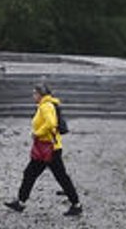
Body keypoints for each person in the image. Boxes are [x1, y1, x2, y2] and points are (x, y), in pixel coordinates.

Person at [5, 84, 81, 216]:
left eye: (34, 93)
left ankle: (76, 205)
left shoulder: (46, 106)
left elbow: (51, 124)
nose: (33, 96)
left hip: (49, 148)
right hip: (49, 147)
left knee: (54, 176)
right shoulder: (46, 105)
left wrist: (37, 133)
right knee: (36, 174)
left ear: (40, 94)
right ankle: (21, 202)